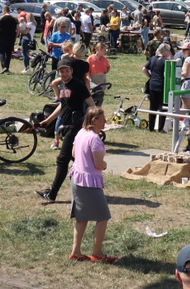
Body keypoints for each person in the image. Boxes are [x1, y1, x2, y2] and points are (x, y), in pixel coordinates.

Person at [36, 60, 96, 202]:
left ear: (71, 71)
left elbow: (92, 105)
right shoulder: (63, 85)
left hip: (75, 128)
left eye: (67, 71)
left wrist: (91, 124)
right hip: (67, 127)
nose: (64, 74)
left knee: (62, 160)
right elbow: (62, 106)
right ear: (58, 72)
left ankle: (52, 194)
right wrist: (48, 120)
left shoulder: (78, 85)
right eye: (62, 71)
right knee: (79, 161)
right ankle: (92, 189)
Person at [66, 106, 116, 263]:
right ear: (94, 121)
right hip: (88, 183)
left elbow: (74, 153)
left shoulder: (81, 133)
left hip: (76, 179)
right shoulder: (94, 139)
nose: (105, 122)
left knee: (82, 218)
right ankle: (97, 253)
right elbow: (99, 164)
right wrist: (105, 165)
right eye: (102, 119)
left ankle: (76, 252)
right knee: (103, 217)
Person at [142, 43, 173, 132]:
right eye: (168, 51)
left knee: (152, 107)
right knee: (162, 107)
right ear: (164, 51)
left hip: (152, 84)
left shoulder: (152, 58)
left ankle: (151, 127)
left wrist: (150, 77)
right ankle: (160, 128)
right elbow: (168, 73)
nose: (169, 52)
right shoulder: (165, 61)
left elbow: (144, 68)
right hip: (161, 85)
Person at [0, 10, 19, 74]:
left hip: (3, 38)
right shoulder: (14, 19)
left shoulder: (2, 18)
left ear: (4, 11)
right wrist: (15, 37)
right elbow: (18, 29)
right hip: (11, 38)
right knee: (8, 53)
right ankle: (7, 67)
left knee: (1, 53)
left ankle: (4, 66)